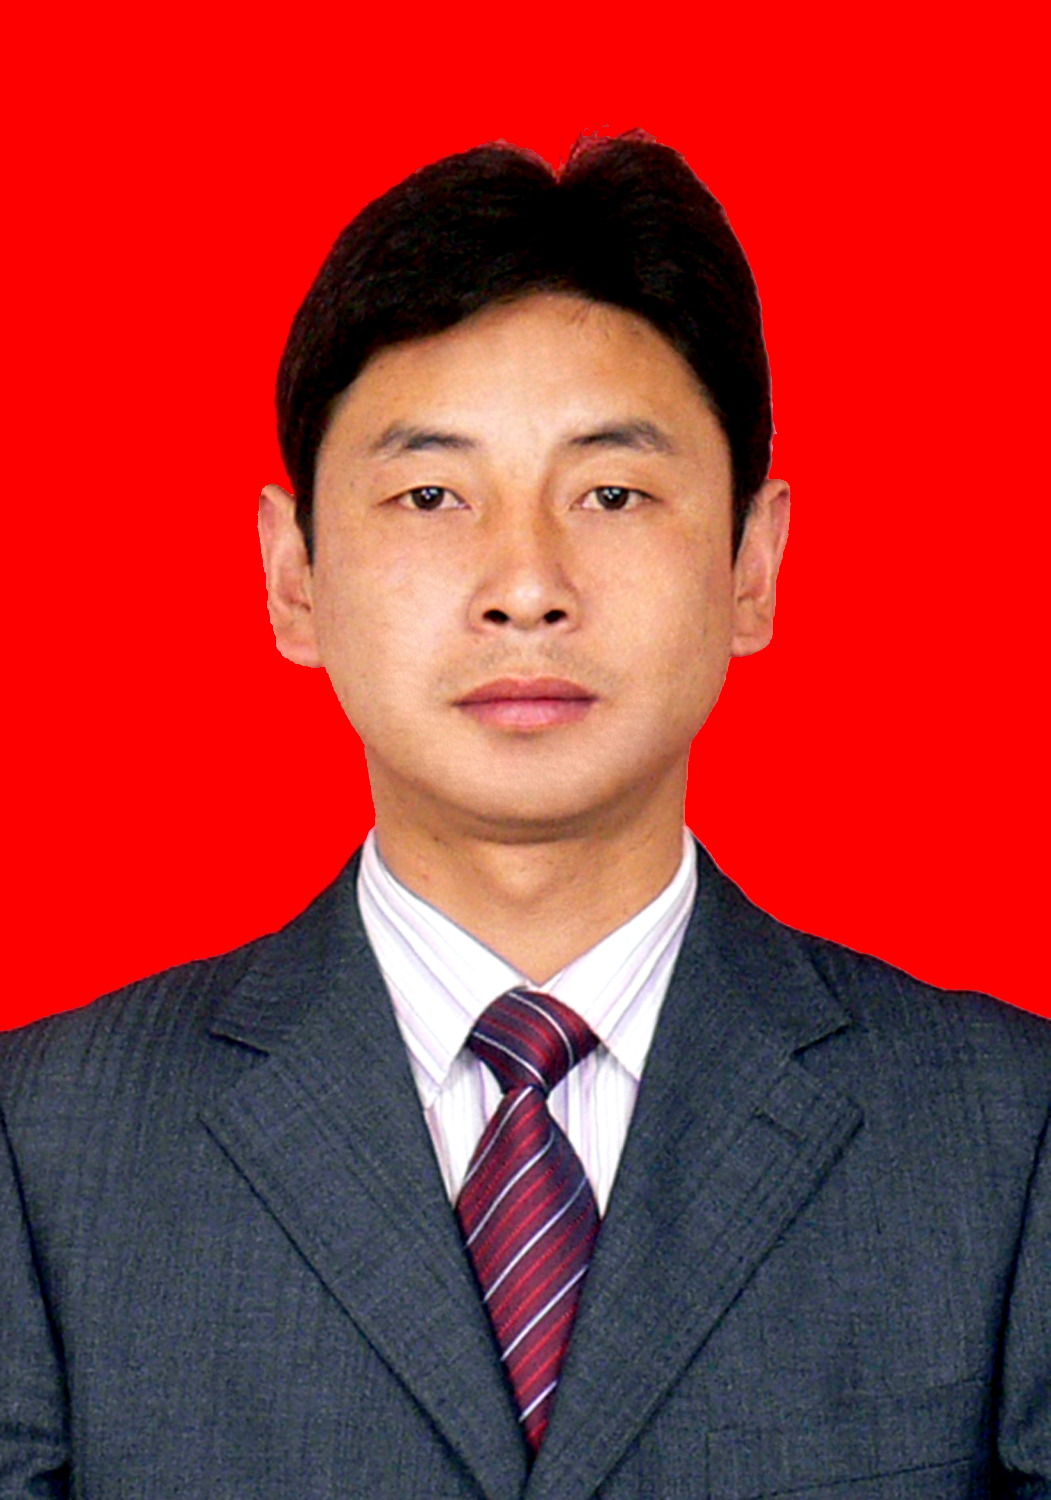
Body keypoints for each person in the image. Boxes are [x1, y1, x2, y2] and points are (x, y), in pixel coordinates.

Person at [2, 132, 1049, 1499]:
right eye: (432, 495)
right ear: (293, 574)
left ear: (753, 560)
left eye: (611, 493)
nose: (526, 586)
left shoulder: (1007, 1134)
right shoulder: (44, 1146)